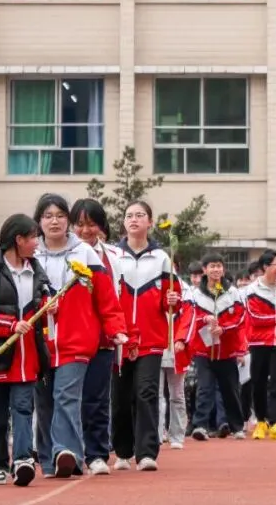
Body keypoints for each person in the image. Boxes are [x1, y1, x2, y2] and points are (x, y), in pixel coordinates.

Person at [33, 194, 126, 479]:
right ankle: (50, 461)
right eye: (48, 216)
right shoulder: (30, 254)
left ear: (68, 221)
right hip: (40, 342)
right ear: (39, 221)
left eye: (60, 215)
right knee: (45, 401)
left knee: (66, 397)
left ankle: (67, 452)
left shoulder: (84, 253)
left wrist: (116, 328)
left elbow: (105, 296)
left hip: (76, 340)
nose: (55, 221)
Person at [0, 214, 51, 487]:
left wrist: (51, 306)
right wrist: (10, 325)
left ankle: (23, 460)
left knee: (23, 408)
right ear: (19, 240)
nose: (37, 243)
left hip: (28, 355)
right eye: (33, 238)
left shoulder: (36, 270)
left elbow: (46, 298)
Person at [112, 200, 182, 472]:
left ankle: (147, 452)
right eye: (129, 215)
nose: (134, 219)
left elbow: (171, 302)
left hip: (151, 337)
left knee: (147, 393)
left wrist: (173, 300)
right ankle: (122, 451)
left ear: (150, 222)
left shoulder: (163, 258)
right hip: (119, 338)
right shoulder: (113, 255)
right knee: (119, 398)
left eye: (140, 215)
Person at [69, 198, 124, 475]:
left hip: (103, 338)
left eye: (91, 224)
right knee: (67, 397)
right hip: (71, 338)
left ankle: (97, 453)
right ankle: (66, 449)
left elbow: (118, 297)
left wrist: (121, 332)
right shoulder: (65, 253)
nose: (85, 230)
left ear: (101, 226)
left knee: (98, 398)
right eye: (79, 224)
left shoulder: (114, 256)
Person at [184, 252, 248, 440]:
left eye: (219, 266)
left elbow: (241, 316)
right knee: (204, 388)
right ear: (204, 270)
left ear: (223, 269)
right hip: (203, 351)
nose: (216, 270)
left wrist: (224, 328)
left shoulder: (233, 292)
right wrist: (204, 319)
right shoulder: (195, 295)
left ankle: (237, 426)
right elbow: (190, 318)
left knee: (230, 389)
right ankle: (200, 426)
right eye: (212, 266)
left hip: (227, 351)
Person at [241, 249, 276, 441]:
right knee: (258, 383)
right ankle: (261, 421)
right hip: (259, 342)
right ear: (266, 267)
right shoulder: (252, 290)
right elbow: (256, 318)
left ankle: (275, 423)